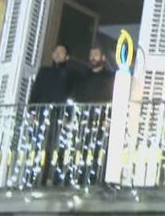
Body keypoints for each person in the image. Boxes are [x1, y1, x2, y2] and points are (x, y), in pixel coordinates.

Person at [30, 44, 76, 186]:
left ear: (67, 57)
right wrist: (32, 112)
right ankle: (36, 178)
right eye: (56, 51)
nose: (57, 54)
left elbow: (71, 96)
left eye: (61, 52)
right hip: (42, 113)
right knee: (39, 146)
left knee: (56, 148)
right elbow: (35, 91)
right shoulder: (44, 71)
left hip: (59, 116)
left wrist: (68, 116)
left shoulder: (69, 75)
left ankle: (54, 179)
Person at [72, 47, 115, 185]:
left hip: (101, 122)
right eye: (91, 55)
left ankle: (97, 181)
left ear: (103, 58)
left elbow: (113, 99)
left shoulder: (110, 78)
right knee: (81, 152)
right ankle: (79, 180)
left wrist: (109, 118)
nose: (92, 57)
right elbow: (76, 98)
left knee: (98, 154)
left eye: (96, 54)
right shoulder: (82, 77)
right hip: (84, 122)